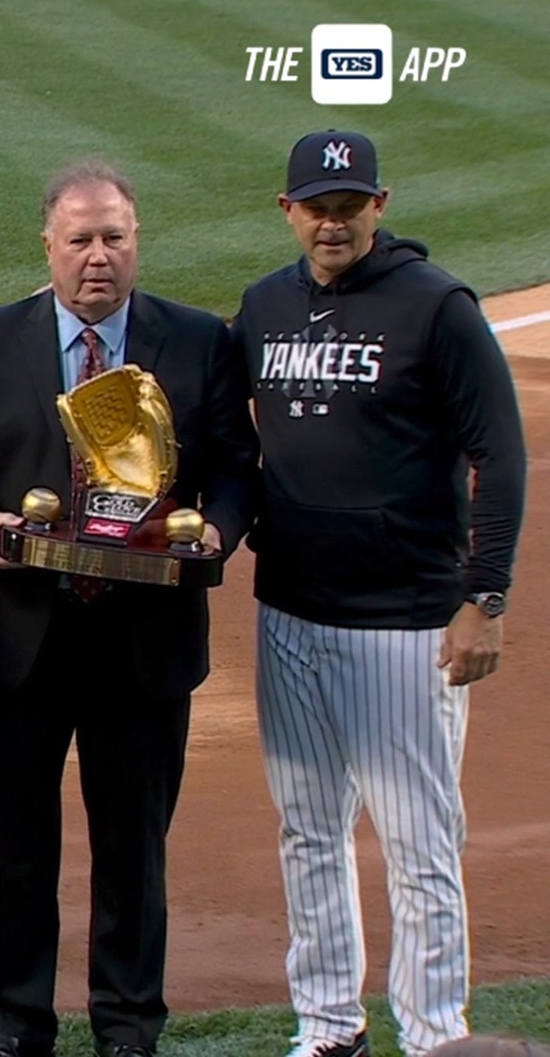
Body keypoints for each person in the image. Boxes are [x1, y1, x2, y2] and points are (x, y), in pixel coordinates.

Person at [0, 161, 260, 1057]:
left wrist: (218, 531)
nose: (98, 257)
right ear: (49, 246)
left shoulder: (197, 341)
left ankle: (127, 1027)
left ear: (137, 240)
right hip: (21, 636)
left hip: (145, 640)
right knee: (14, 848)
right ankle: (17, 1026)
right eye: (80, 240)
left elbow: (234, 469)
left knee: (133, 849)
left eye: (114, 237)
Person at [233, 129, 526, 1057]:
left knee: (418, 847)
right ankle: (328, 1030)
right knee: (309, 833)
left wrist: (485, 596)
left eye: (348, 204)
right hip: (288, 612)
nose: (331, 220)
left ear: (380, 205)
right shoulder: (265, 305)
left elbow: (501, 458)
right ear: (287, 212)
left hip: (404, 623)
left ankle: (437, 1036)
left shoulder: (437, 307)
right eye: (315, 205)